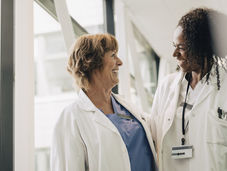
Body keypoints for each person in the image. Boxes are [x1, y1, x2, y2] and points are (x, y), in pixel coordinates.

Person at [150, 7, 227, 171]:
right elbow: (153, 141)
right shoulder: (166, 87)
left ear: (202, 47)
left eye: (182, 47)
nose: (174, 54)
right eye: (174, 45)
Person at [51, 33, 156, 171]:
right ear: (92, 62)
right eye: (113, 55)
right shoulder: (71, 118)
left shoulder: (126, 106)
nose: (120, 62)